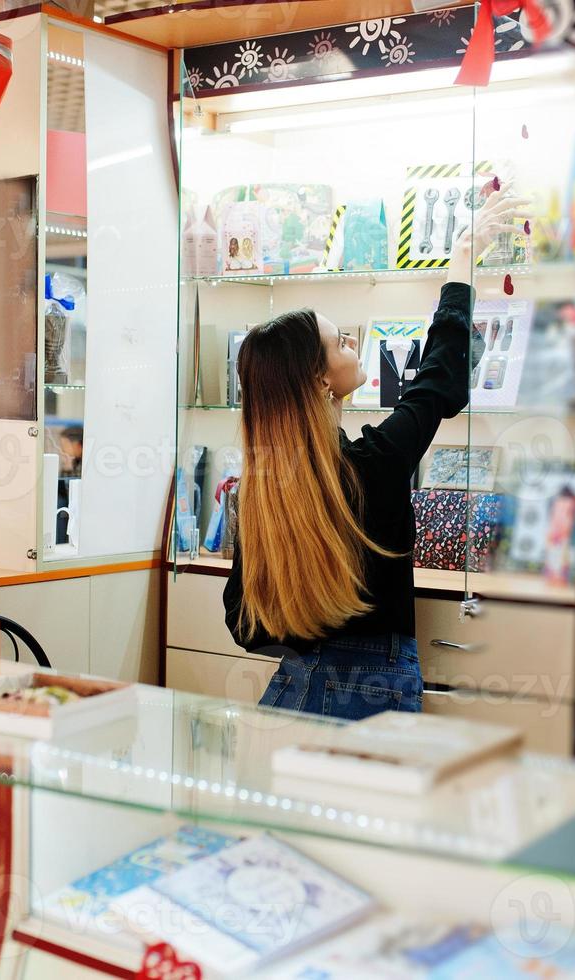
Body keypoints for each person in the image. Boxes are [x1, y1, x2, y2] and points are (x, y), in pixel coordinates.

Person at [222, 188, 522, 719]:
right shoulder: (373, 466)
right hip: (371, 693)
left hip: (294, 688)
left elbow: (244, 624)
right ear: (319, 381)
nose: (354, 347)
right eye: (341, 343)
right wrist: (459, 261)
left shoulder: (263, 491)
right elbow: (439, 384)